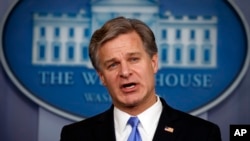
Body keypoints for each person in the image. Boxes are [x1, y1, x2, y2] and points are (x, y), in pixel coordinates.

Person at [60, 16, 221, 141]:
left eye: (133, 59)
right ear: (102, 77)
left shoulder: (202, 134)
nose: (125, 72)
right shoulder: (75, 136)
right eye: (113, 65)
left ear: (153, 63)